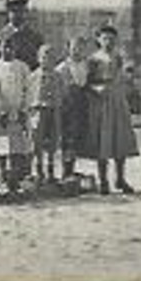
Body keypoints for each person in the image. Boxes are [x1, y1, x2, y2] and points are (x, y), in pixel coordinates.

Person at [86, 24, 138, 194]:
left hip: (117, 99)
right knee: (104, 139)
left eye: (111, 39)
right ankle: (103, 181)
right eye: (105, 38)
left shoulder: (119, 57)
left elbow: (127, 77)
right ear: (98, 40)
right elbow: (87, 82)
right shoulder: (94, 59)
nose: (108, 42)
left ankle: (120, 179)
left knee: (120, 138)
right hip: (101, 101)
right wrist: (96, 88)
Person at [0, 39, 32, 194]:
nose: (8, 50)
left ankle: (16, 177)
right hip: (1, 113)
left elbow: (28, 89)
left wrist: (23, 109)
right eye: (5, 47)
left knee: (18, 145)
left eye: (11, 47)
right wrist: (1, 110)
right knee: (2, 145)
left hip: (18, 111)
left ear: (16, 49)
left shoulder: (23, 67)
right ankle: (3, 175)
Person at [54, 36, 92, 183]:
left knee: (77, 138)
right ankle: (66, 170)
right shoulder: (62, 68)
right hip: (67, 107)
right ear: (68, 49)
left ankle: (72, 167)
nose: (77, 51)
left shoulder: (86, 66)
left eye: (80, 48)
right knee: (67, 138)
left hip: (81, 105)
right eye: (74, 47)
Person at [0, 0, 44, 84]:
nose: (20, 15)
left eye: (23, 11)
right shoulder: (0, 37)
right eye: (15, 11)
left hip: (30, 85)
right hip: (6, 87)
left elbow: (42, 63)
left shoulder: (35, 37)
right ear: (8, 13)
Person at [27, 43, 62, 187]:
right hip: (38, 109)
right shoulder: (33, 76)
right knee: (37, 140)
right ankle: (39, 170)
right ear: (38, 58)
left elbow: (62, 92)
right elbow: (28, 94)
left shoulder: (57, 76)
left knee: (53, 140)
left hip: (53, 110)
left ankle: (51, 169)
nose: (47, 60)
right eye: (43, 57)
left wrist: (56, 103)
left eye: (50, 57)